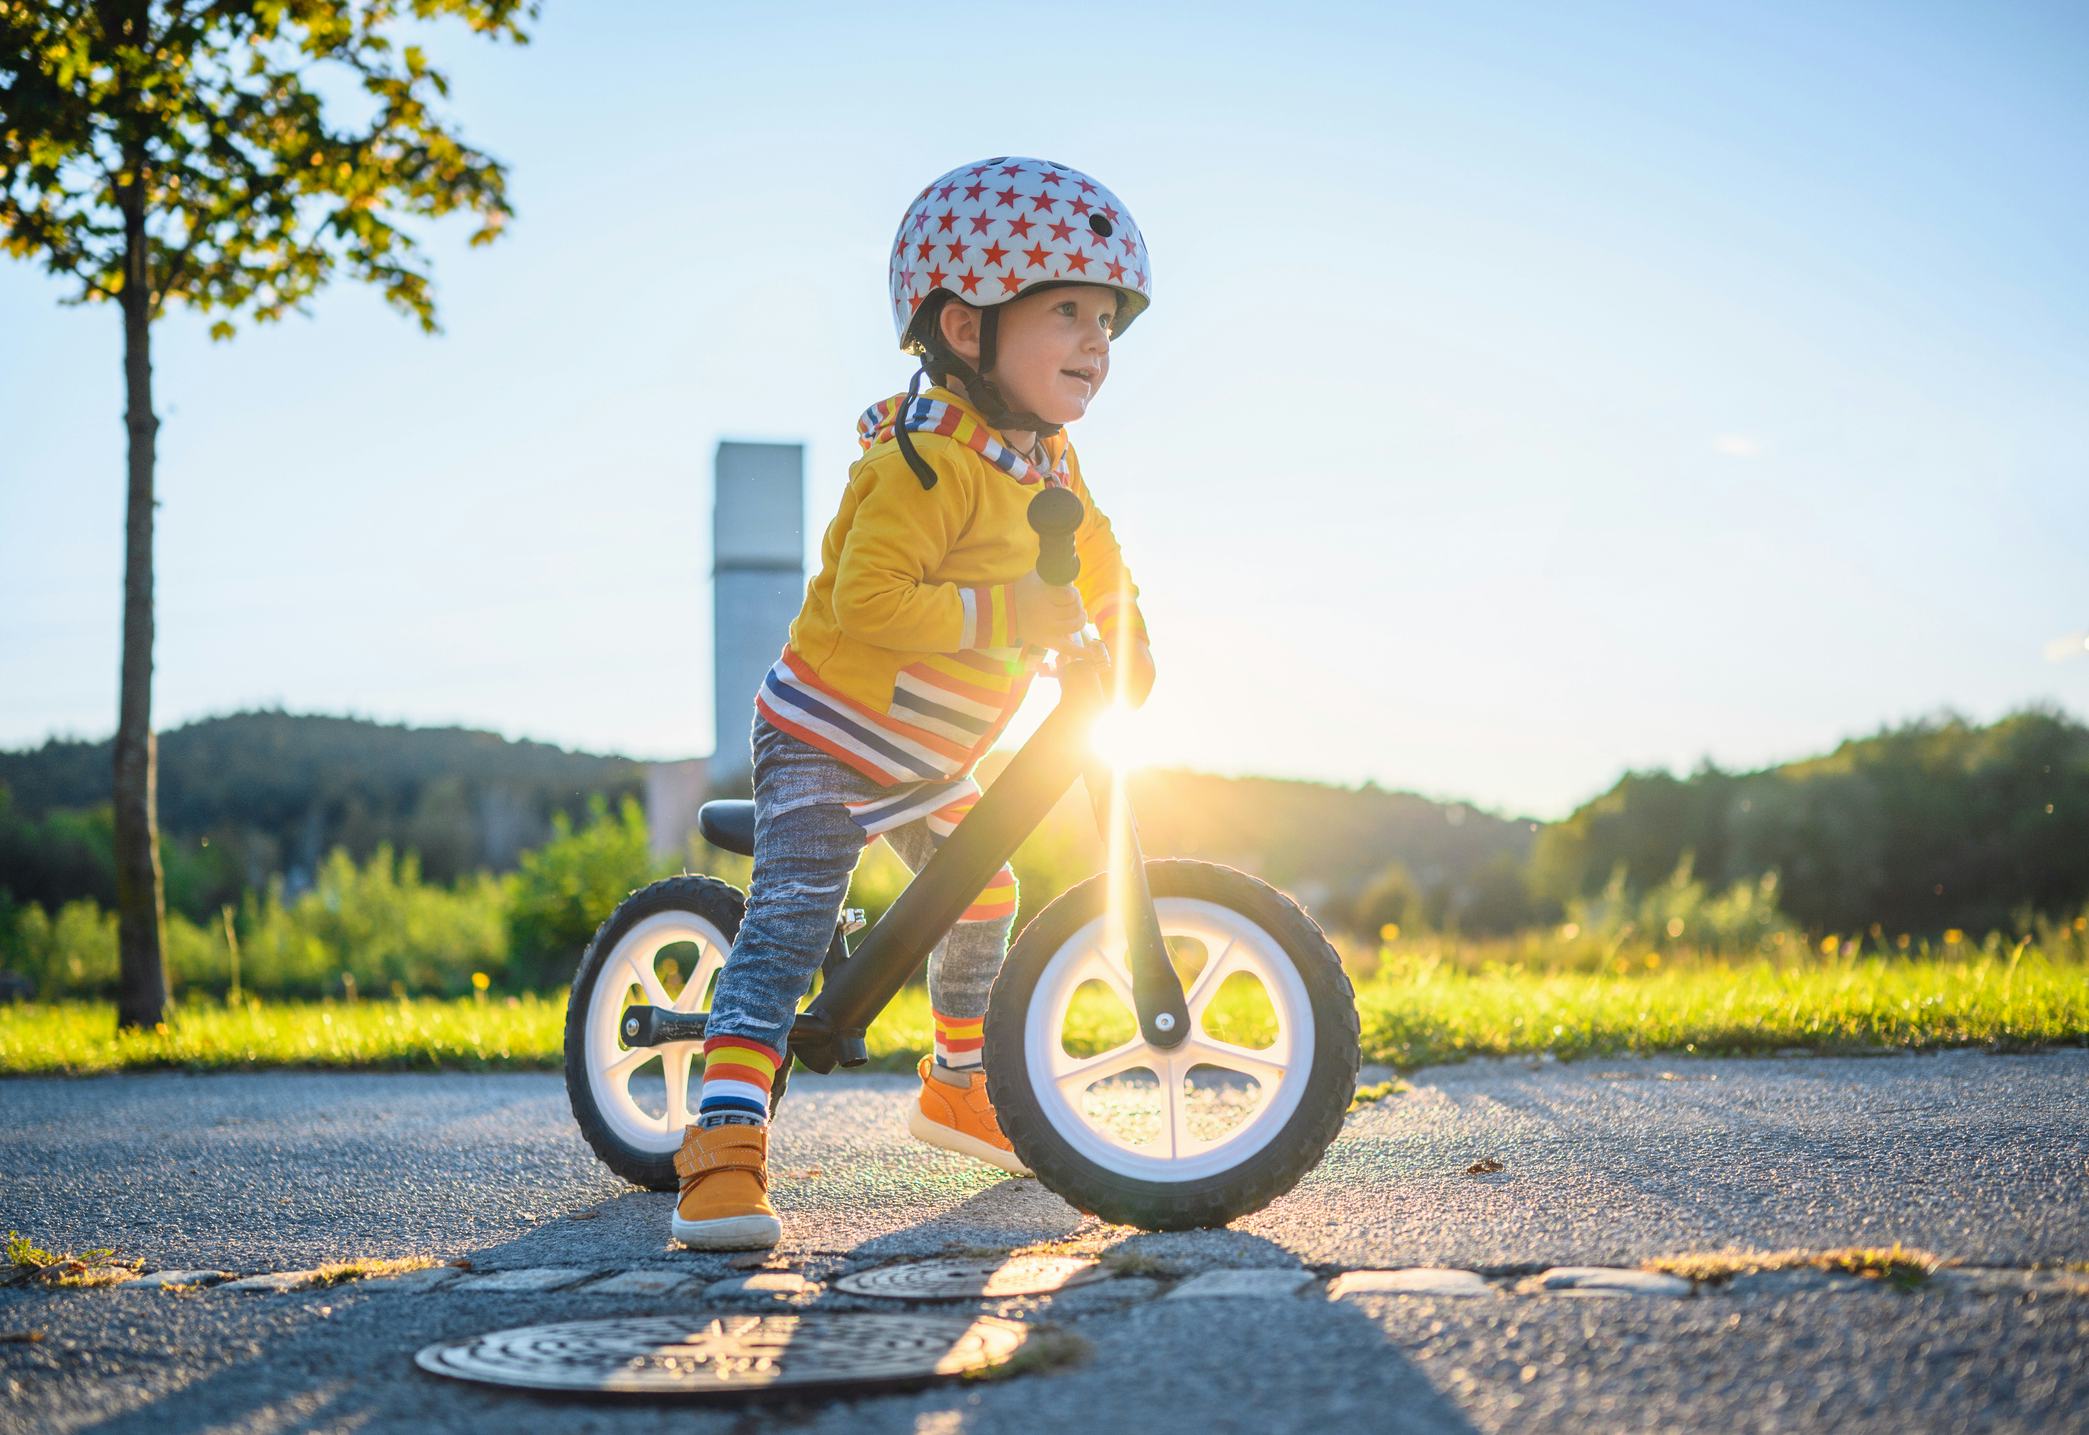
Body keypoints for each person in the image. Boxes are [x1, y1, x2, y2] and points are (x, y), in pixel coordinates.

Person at [671, 157, 1158, 1249]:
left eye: (1108, 321)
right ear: (966, 326)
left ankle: (954, 1080)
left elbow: (1098, 563)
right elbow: (873, 602)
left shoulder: (1050, 465)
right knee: (795, 912)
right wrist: (1010, 622)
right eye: (1067, 311)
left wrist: (1127, 641)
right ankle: (723, 1140)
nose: (1096, 341)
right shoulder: (917, 465)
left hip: (934, 753)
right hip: (823, 734)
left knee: (983, 894)